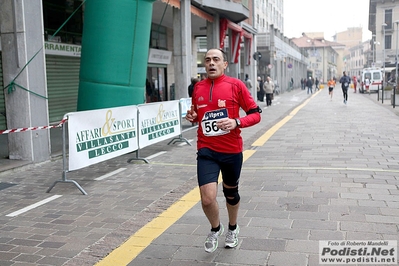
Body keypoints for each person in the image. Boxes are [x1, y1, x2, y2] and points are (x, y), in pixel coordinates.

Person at [185, 48, 261, 253]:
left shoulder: (236, 86)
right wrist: (193, 117)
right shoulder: (198, 87)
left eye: (216, 59)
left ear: (224, 64)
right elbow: (198, 115)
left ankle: (233, 228)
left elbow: (255, 114)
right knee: (207, 198)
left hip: (231, 151)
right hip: (206, 150)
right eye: (207, 60)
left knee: (230, 193)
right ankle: (215, 228)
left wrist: (236, 122)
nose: (211, 63)